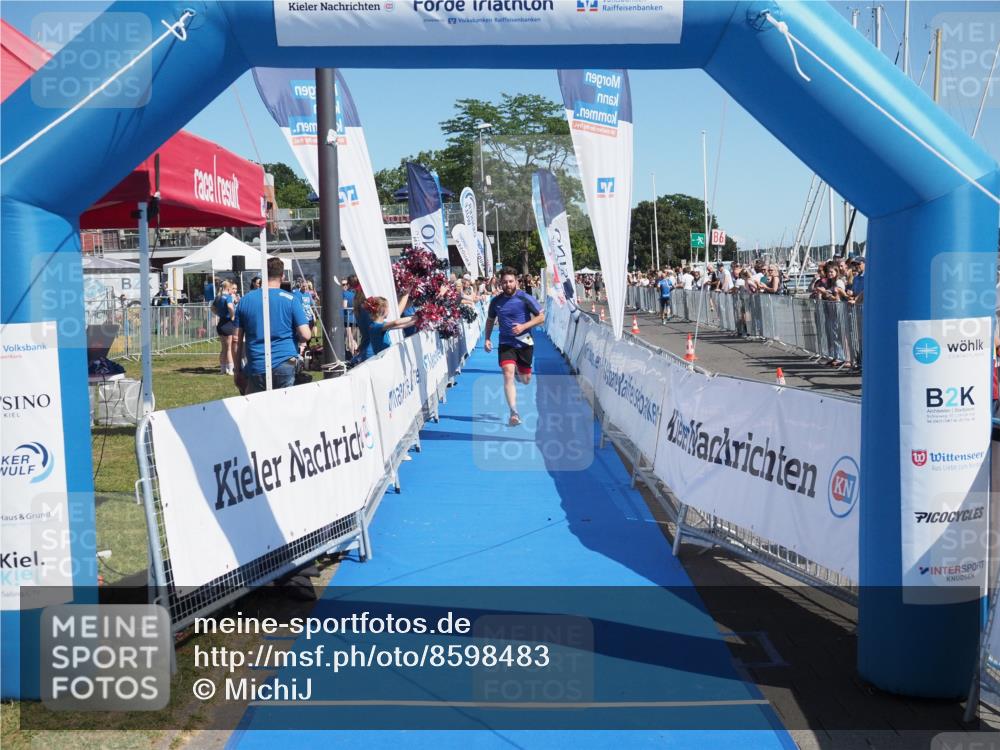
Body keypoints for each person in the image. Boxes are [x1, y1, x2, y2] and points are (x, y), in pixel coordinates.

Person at [234, 257, 311, 395]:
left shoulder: (245, 300)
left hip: (257, 363)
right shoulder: (291, 299)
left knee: (258, 411)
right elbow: (305, 334)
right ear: (282, 276)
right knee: (284, 409)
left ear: (263, 275)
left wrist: (237, 370)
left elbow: (236, 340)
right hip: (285, 361)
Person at [484, 268, 545, 427]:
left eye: (511, 281)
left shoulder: (525, 298)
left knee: (525, 380)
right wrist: (487, 338)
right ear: (500, 283)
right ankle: (514, 412)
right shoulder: (496, 301)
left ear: (516, 282)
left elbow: (541, 317)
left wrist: (524, 326)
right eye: (505, 282)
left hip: (525, 342)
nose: (508, 284)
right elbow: (490, 320)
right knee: (507, 374)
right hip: (506, 343)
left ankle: (521, 372)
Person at [213, 280, 238, 375]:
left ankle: (222, 369)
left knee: (223, 348)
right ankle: (231, 369)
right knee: (229, 348)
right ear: (228, 288)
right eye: (232, 288)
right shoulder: (228, 297)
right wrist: (233, 317)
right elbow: (230, 307)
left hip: (220, 323)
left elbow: (212, 308)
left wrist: (218, 314)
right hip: (228, 323)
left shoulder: (218, 297)